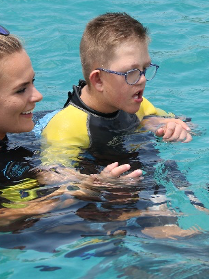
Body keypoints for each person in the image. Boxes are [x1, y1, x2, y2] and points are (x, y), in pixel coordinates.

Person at [0, 5, 141, 229]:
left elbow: (40, 170)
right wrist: (65, 197)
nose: (38, 96)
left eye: (33, 82)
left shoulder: (18, 133)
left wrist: (92, 182)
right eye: (21, 90)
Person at [39, 12, 199, 238]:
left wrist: (174, 125)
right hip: (101, 194)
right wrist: (96, 183)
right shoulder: (67, 127)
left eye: (145, 68)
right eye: (131, 72)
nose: (142, 78)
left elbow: (184, 123)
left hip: (135, 177)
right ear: (98, 80)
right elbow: (50, 177)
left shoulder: (136, 104)